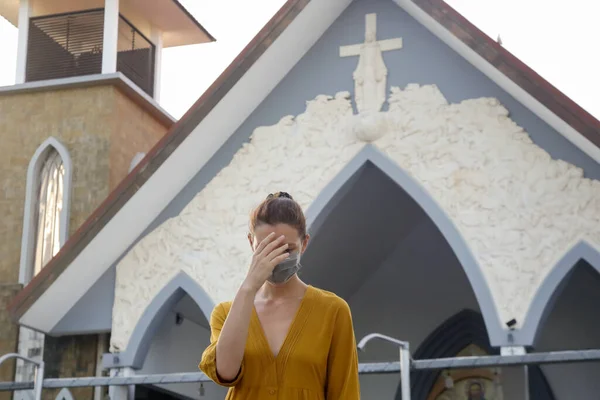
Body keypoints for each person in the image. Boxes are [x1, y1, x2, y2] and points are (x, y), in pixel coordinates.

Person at [199, 191, 361, 399]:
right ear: (251, 243)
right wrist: (249, 287)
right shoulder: (226, 312)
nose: (277, 258)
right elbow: (226, 372)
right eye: (267, 248)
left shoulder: (333, 311)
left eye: (287, 249)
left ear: (304, 244)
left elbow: (345, 392)